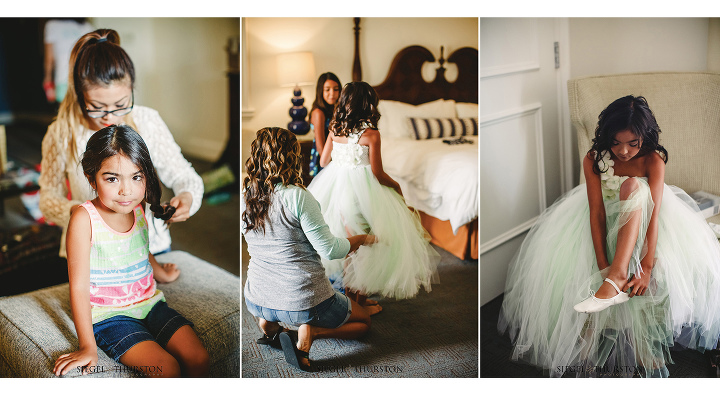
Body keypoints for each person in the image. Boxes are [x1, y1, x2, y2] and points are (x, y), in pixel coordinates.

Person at [498, 95, 720, 378]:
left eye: (632, 143)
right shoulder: (594, 159)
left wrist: (647, 265)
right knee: (583, 269)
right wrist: (603, 264)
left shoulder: (653, 160)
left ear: (645, 137)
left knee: (633, 190)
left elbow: (654, 215)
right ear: (606, 137)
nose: (623, 151)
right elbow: (597, 214)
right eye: (616, 143)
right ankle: (593, 326)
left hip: (646, 229)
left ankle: (642, 340)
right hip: (603, 227)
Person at [53, 125, 209, 377]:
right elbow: (78, 287)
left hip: (150, 304)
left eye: (136, 177)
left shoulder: (137, 209)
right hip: (110, 316)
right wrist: (87, 346)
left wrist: (160, 272)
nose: (127, 190)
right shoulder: (84, 219)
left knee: (199, 359)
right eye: (112, 178)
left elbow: (140, 250)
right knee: (167, 369)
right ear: (91, 177)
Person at [39, 29, 203, 258]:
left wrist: (187, 197)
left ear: (132, 90)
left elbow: (183, 174)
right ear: (80, 94)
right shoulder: (61, 132)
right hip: (89, 250)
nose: (109, 116)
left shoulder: (147, 121)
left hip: (149, 249)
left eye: (120, 104)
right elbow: (47, 198)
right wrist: (83, 214)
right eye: (97, 107)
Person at [242, 126, 376, 372]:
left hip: (256, 297)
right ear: (292, 156)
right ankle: (312, 332)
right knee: (364, 322)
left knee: (272, 309)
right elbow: (331, 250)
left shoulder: (245, 195)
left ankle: (269, 327)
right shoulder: (297, 197)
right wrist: (361, 239)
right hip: (302, 298)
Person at [307, 81, 440, 309]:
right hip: (359, 197)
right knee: (367, 248)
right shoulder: (371, 134)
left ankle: (357, 299)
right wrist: (396, 185)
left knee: (351, 248)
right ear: (367, 104)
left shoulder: (335, 128)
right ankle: (355, 305)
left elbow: (322, 161)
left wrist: (343, 159)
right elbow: (378, 174)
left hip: (336, 192)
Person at [43, 18, 93, 104]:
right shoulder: (87, 27)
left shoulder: (52, 26)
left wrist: (47, 78)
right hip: (85, 79)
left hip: (62, 78)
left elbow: (49, 59)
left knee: (64, 113)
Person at [307, 72, 341, 177]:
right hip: (324, 157)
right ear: (320, 91)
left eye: (336, 89)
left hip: (335, 154)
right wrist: (331, 166)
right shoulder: (318, 113)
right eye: (327, 90)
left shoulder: (335, 109)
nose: (332, 93)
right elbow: (320, 145)